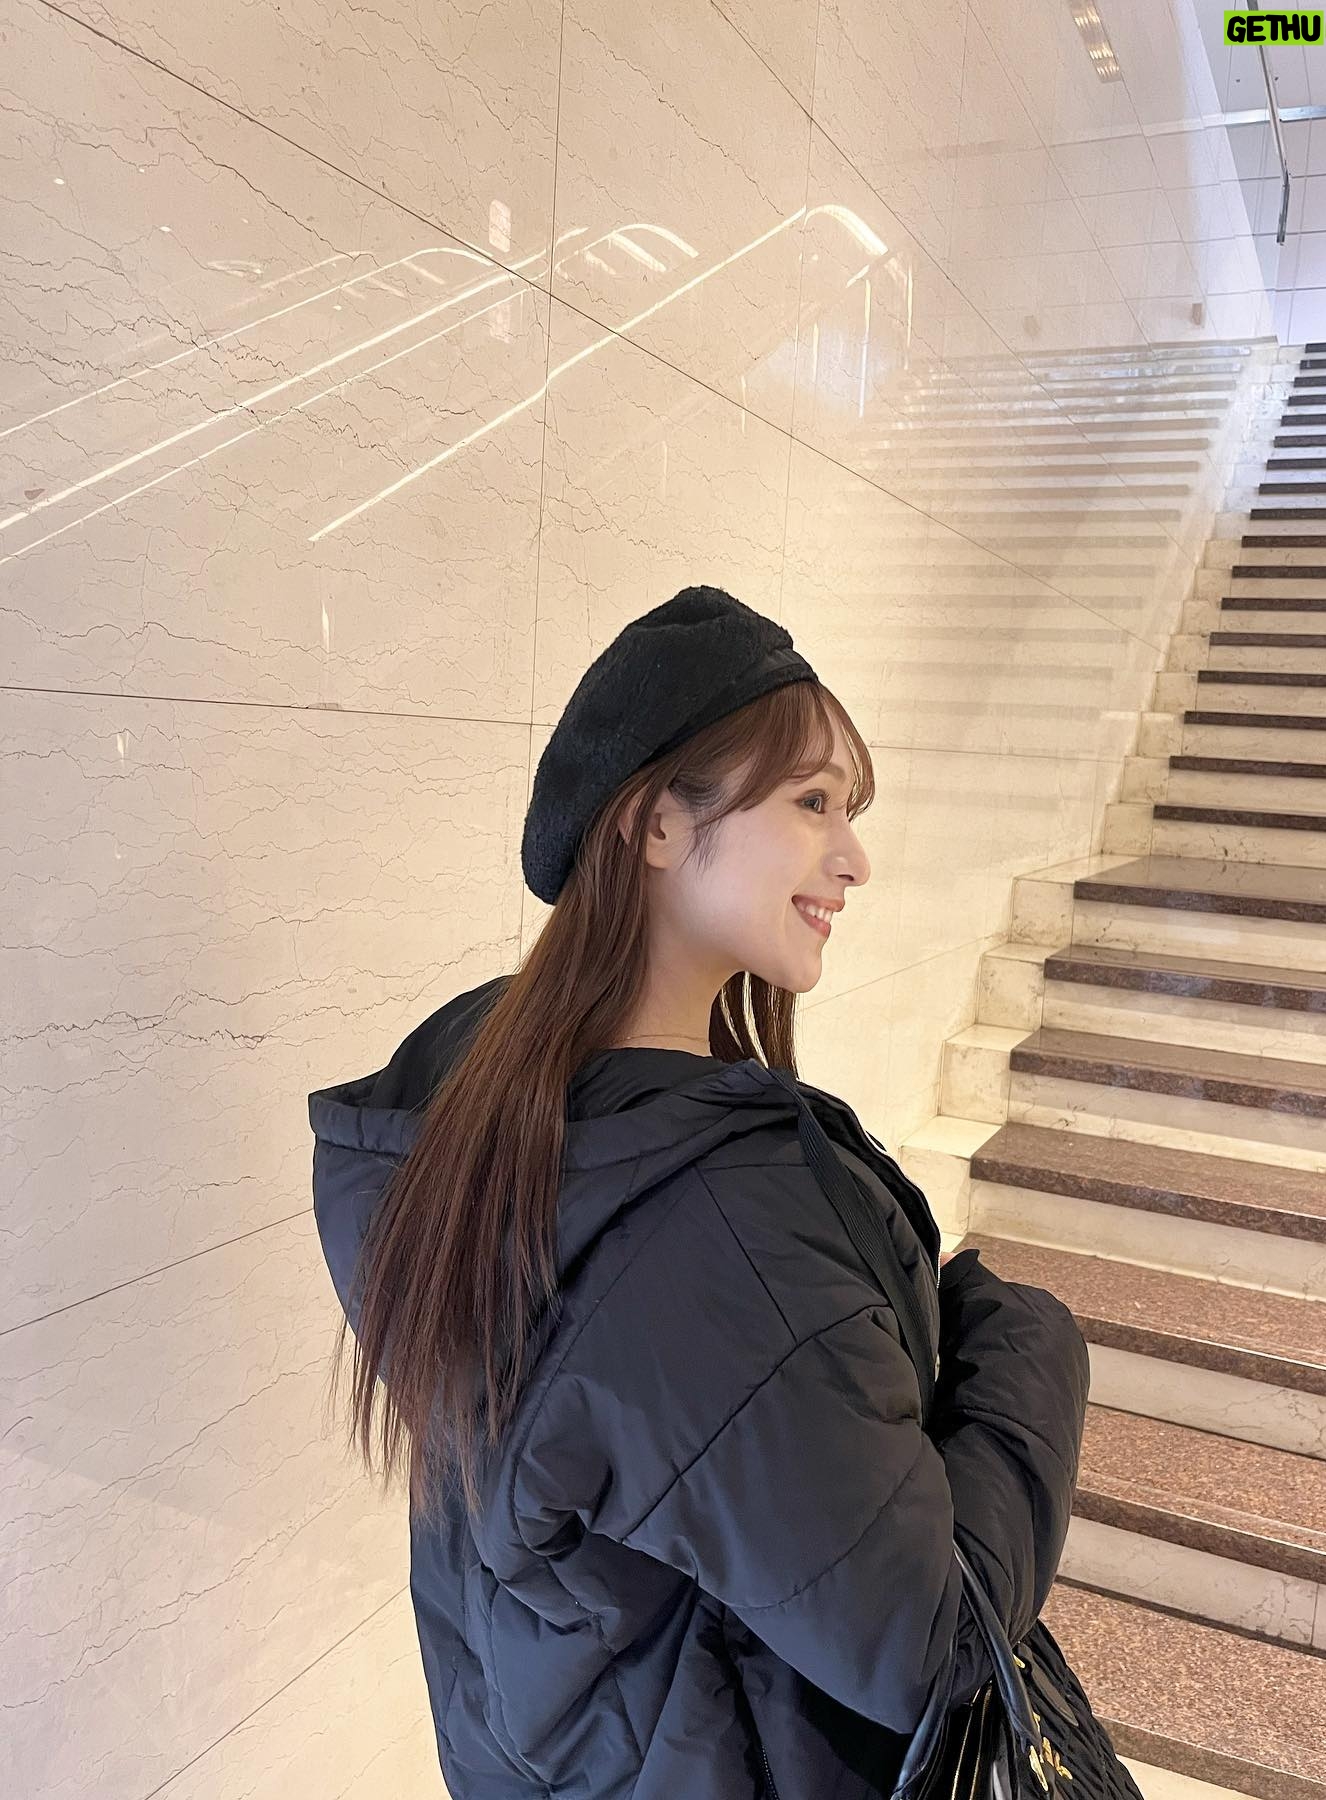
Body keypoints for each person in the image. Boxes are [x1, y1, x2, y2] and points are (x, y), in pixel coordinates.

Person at [308, 586, 1091, 1799]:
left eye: (850, 811)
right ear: (658, 822)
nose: (855, 859)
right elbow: (929, 1641)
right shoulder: (711, 1221)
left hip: (549, 1743)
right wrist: (1026, 1336)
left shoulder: (473, 1081)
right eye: (812, 802)